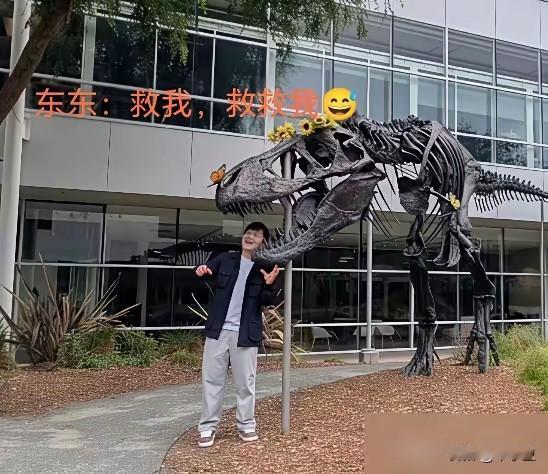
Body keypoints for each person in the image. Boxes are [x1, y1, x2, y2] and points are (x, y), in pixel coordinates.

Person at [194, 221, 280, 448]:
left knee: (245, 384)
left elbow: (268, 302)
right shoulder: (225, 259)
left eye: (256, 235)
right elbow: (205, 272)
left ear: (263, 242)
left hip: (245, 334)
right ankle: (207, 428)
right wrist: (202, 270)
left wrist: (269, 285)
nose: (250, 237)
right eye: (248, 233)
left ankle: (246, 425)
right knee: (212, 381)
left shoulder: (264, 267)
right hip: (218, 331)